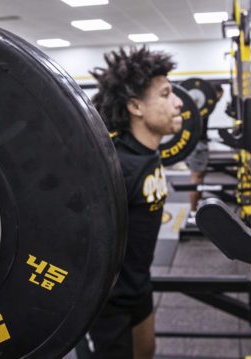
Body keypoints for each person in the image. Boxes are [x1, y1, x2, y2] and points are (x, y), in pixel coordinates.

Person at [76, 46, 183, 359]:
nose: (178, 103)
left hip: (138, 284)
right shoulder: (116, 166)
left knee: (146, 351)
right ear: (136, 106)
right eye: (165, 94)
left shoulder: (146, 154)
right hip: (105, 302)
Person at [185, 84, 223, 215]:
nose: (219, 99)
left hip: (199, 144)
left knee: (199, 177)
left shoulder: (204, 108)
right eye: (219, 96)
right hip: (197, 145)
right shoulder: (198, 107)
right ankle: (193, 211)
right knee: (196, 178)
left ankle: (197, 207)